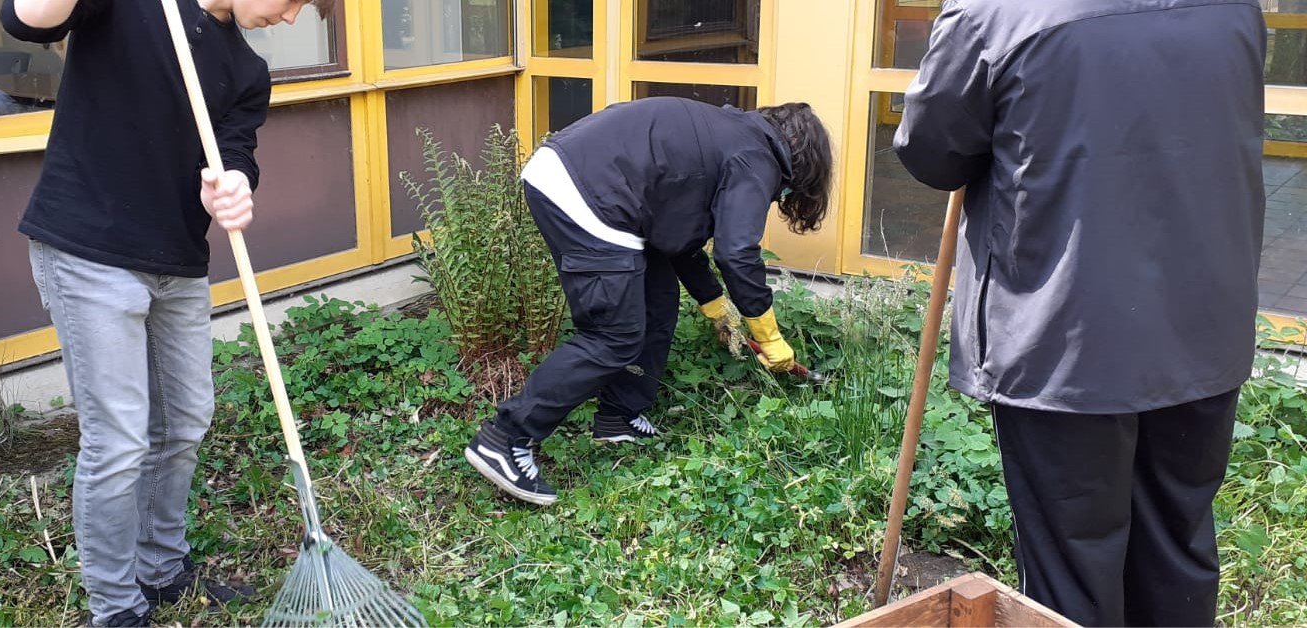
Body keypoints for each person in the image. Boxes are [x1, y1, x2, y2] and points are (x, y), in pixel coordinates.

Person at [892, 2, 1264, 626]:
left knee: (1073, 572)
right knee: (1178, 545)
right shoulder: (1237, 7)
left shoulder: (998, 11)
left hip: (1066, 337)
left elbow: (932, 152)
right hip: (1204, 324)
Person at [1, 0, 334, 625]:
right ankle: (116, 603)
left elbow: (239, 153)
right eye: (294, 1)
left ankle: (160, 567)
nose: (292, 19)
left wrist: (235, 184)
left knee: (183, 421)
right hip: (88, 249)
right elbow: (25, 21)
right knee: (120, 439)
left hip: (177, 260)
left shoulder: (245, 70)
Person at [464, 97, 835, 506]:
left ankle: (617, 416)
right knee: (613, 335)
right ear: (803, 162)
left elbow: (679, 239)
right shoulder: (756, 160)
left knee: (657, 301)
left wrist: (715, 307)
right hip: (592, 193)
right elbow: (737, 253)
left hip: (580, 178)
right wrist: (768, 336)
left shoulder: (733, 138)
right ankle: (505, 438)